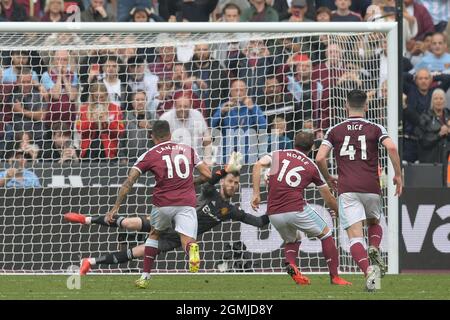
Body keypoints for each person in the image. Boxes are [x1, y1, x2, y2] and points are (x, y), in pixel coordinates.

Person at [64, 160, 271, 274]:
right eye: (230, 181)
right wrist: (224, 169)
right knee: (128, 223)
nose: (233, 185)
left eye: (236, 183)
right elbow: (210, 180)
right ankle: (87, 219)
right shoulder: (211, 193)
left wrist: (276, 207)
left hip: (173, 239)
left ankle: (89, 262)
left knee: (134, 253)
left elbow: (259, 222)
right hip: (169, 220)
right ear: (224, 182)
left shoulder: (231, 211)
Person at [103, 120, 211, 288]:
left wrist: (116, 206)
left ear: (152, 136)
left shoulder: (150, 154)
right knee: (187, 240)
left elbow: (129, 181)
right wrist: (191, 183)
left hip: (163, 203)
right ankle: (192, 251)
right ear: (170, 134)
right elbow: (207, 174)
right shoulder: (187, 150)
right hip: (187, 202)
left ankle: (145, 277)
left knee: (154, 234)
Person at [315, 89, 403, 291]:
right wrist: (398, 175)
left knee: (355, 237)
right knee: (374, 222)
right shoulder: (375, 127)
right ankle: (374, 246)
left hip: (348, 189)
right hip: (371, 186)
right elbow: (391, 148)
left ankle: (369, 273)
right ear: (366, 106)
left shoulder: (335, 130)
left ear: (346, 106)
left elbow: (320, 157)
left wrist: (329, 179)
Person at [251, 131, 351, 286]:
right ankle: (335, 277)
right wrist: (339, 212)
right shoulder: (311, 166)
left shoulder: (278, 155)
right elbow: (328, 196)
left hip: (273, 213)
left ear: (293, 143)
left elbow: (258, 165)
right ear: (312, 147)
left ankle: (291, 264)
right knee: (326, 235)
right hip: (296, 208)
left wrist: (256, 194)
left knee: (294, 238)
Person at [415, 88, 450, 163]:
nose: (438, 101)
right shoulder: (425, 117)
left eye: (441, 98)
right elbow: (423, 141)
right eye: (436, 98)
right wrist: (439, 134)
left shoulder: (448, 114)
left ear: (445, 101)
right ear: (432, 101)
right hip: (431, 160)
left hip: (447, 159)